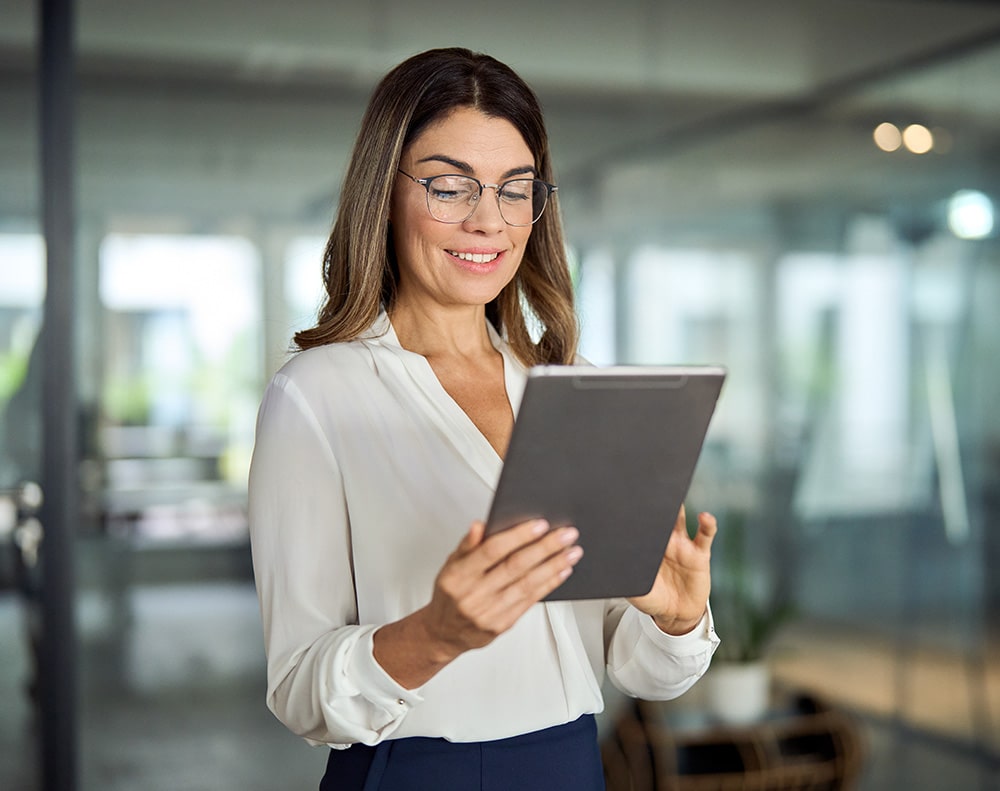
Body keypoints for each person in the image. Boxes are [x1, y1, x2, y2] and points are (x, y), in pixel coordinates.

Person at [248, 47, 721, 791]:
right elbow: (300, 688)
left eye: (514, 189)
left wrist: (675, 616)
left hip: (569, 764)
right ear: (385, 191)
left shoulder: (577, 393)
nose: (487, 221)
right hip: (408, 770)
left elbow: (644, 672)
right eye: (448, 186)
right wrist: (434, 635)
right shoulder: (317, 394)